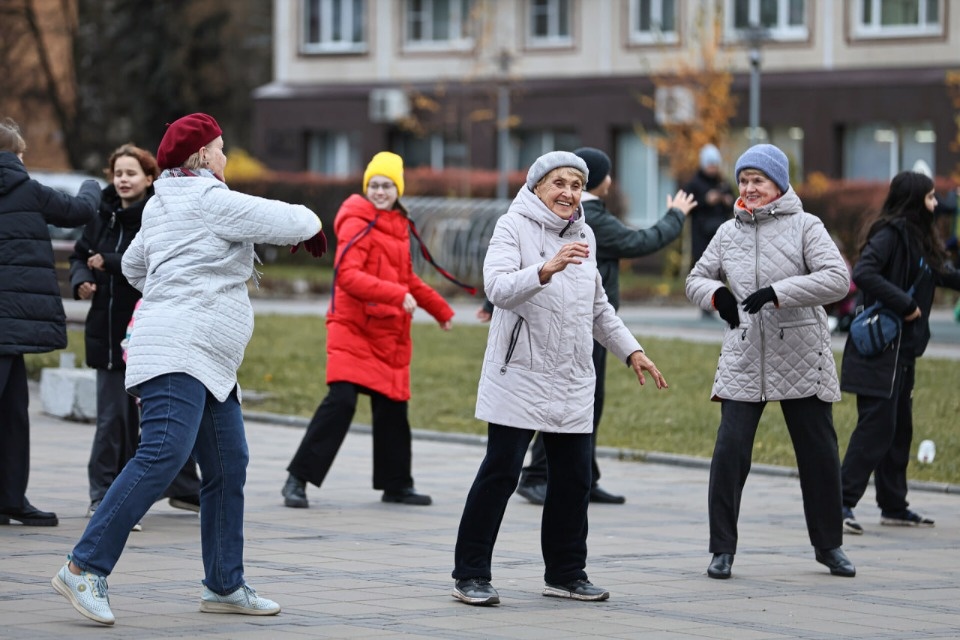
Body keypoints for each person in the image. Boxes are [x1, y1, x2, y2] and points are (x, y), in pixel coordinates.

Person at [52, 113, 326, 626]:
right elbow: (293, 219)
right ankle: (82, 566)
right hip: (180, 348)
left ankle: (223, 584)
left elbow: (133, 267)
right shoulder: (209, 198)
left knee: (228, 464)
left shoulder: (161, 205)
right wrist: (313, 227)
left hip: (209, 359)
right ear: (202, 157)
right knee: (162, 453)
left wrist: (177, 272)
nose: (225, 157)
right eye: (221, 148)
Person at [452, 151, 668, 606]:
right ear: (536, 187)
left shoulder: (585, 232)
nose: (568, 192)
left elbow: (599, 309)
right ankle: (470, 574)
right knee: (501, 472)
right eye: (558, 183)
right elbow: (498, 288)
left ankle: (566, 574)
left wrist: (632, 350)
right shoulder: (513, 226)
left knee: (573, 480)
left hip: (571, 377)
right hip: (520, 373)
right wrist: (545, 269)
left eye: (575, 184)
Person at [685, 143, 856, 580]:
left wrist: (781, 293)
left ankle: (829, 546)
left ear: (778, 184)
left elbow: (838, 280)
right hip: (745, 354)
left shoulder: (806, 226)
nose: (749, 188)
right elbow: (696, 278)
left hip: (800, 353)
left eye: (758, 180)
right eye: (743, 180)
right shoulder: (728, 232)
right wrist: (716, 295)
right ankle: (721, 549)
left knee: (818, 455)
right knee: (729, 453)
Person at [282, 151, 466, 509]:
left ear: (398, 190)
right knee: (341, 402)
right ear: (366, 188)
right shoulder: (357, 219)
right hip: (352, 326)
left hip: (386, 331)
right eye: (374, 185)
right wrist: (398, 295)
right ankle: (297, 479)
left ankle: (396, 485)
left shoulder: (397, 223)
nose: (380, 192)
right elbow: (348, 275)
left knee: (393, 407)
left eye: (387, 185)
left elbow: (407, 277)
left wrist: (439, 308)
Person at [515, 146, 694, 506]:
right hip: (576, 326)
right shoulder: (589, 218)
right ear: (604, 178)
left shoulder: (585, 219)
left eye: (575, 184)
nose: (568, 192)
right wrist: (675, 216)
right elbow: (640, 242)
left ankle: (585, 476)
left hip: (589, 321)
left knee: (587, 402)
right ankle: (537, 475)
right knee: (568, 401)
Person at [68, 145, 201, 530]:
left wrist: (106, 262)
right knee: (113, 418)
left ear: (149, 178)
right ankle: (103, 495)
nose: (123, 179)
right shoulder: (101, 215)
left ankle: (184, 487)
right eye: (117, 173)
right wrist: (82, 279)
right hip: (109, 333)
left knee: (162, 415)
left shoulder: (158, 214)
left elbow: (149, 262)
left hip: (150, 330)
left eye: (131, 173)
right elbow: (80, 255)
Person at [839, 171, 960, 535]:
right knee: (876, 428)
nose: (935, 204)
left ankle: (893, 505)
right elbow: (864, 273)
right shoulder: (891, 235)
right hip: (878, 350)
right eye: (930, 198)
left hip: (902, 352)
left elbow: (946, 274)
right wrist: (906, 304)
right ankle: (838, 502)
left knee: (899, 430)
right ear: (913, 201)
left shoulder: (921, 240)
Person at [0, 117, 99, 527]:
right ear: (17, 154)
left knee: (13, 411)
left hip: (10, 330)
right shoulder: (27, 188)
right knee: (12, 416)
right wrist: (94, 184)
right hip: (12, 324)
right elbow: (79, 211)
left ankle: (9, 500)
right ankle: (10, 499)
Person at [683, 144, 735, 279]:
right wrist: (705, 201)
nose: (713, 167)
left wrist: (727, 202)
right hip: (701, 235)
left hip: (720, 233)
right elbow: (686, 207)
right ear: (703, 164)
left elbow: (735, 206)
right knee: (703, 269)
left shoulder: (723, 183)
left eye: (715, 164)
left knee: (720, 269)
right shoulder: (694, 184)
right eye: (710, 164)